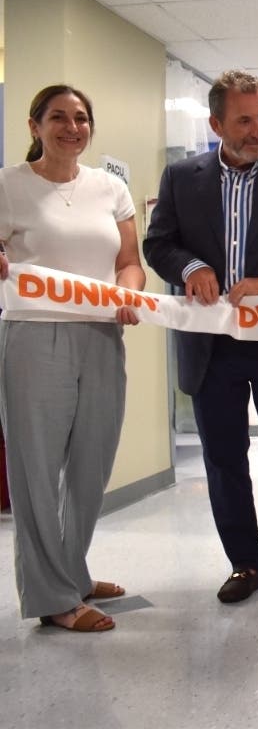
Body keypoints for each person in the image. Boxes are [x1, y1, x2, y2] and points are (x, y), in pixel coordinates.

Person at [143, 70, 258, 611]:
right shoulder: (181, 178)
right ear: (216, 122)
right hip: (210, 347)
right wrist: (192, 266)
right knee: (224, 461)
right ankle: (246, 562)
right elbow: (158, 245)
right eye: (245, 120)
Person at [0, 84, 144, 632]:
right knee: (36, 470)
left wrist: (129, 291)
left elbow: (130, 262)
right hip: (34, 338)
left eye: (81, 118)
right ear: (36, 125)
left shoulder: (111, 188)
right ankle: (52, 596)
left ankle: (72, 572)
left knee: (91, 463)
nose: (71, 127)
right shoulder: (9, 186)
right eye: (58, 117)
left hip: (102, 338)